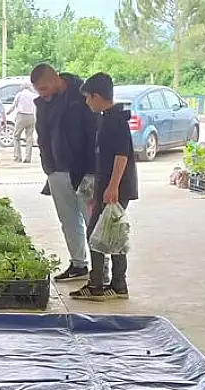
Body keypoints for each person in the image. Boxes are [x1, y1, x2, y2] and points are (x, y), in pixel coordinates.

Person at [74, 72, 137, 302]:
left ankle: (97, 284)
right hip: (109, 184)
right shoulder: (107, 117)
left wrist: (112, 186)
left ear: (97, 96)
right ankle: (118, 284)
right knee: (111, 232)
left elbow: (122, 156)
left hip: (115, 186)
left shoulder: (115, 120)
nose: (87, 103)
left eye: (88, 98)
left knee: (98, 233)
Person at [31, 63, 97, 281]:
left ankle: (100, 270)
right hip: (56, 171)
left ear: (55, 79)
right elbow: (42, 136)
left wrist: (92, 169)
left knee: (91, 220)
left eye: (43, 88)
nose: (42, 93)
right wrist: (47, 167)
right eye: (38, 90)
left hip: (84, 170)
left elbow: (93, 133)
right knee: (67, 219)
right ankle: (78, 264)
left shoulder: (82, 95)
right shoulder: (43, 103)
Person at [8, 85, 37, 163]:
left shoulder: (19, 94)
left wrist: (8, 112)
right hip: (31, 116)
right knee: (29, 137)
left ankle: (18, 157)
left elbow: (13, 106)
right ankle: (28, 158)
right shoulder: (33, 95)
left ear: (22, 87)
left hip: (21, 116)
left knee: (16, 136)